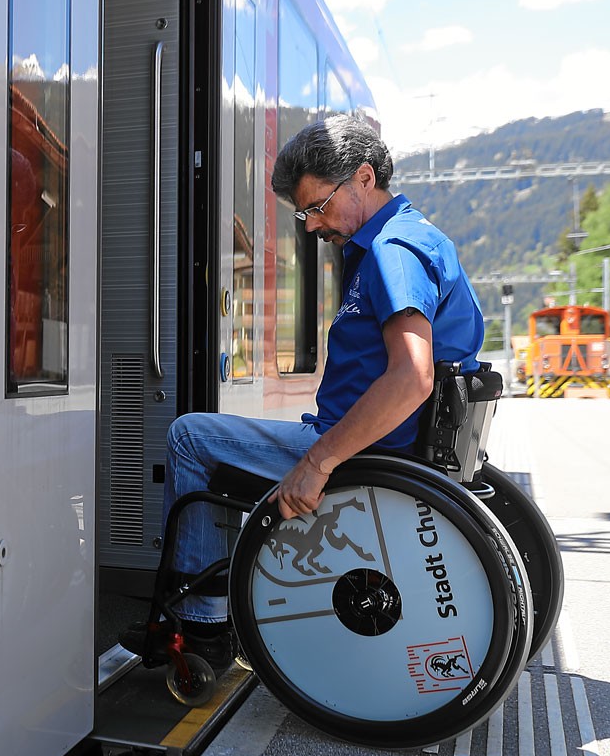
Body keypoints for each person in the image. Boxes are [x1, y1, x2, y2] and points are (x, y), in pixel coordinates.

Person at [125, 114, 485, 665]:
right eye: (305, 213)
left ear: (364, 177)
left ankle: (203, 624)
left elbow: (412, 376)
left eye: (319, 207)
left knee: (189, 437)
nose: (314, 226)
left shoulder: (391, 252)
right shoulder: (418, 236)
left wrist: (318, 462)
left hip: (366, 456)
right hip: (391, 448)